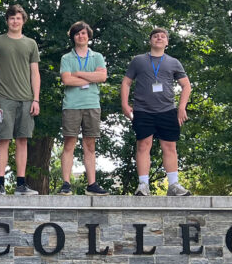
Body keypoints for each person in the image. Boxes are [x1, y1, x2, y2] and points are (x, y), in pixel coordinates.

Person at [121, 28, 192, 196]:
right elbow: (126, 83)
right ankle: (143, 185)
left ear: (167, 42)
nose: (159, 38)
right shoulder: (138, 61)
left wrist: (181, 107)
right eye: (155, 36)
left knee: (170, 147)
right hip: (142, 110)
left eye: (162, 36)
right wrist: (125, 104)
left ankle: (174, 185)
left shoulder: (173, 62)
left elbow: (186, 85)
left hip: (167, 110)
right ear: (150, 40)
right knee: (143, 145)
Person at [0, 4, 41, 195]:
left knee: (22, 140)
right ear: (7, 21)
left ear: (23, 20)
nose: (15, 21)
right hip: (3, 98)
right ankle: (0, 183)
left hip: (26, 99)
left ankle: (21, 184)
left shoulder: (31, 44)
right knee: (3, 140)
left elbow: (35, 73)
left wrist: (36, 99)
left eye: (18, 18)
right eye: (11, 18)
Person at [58, 21, 108, 196]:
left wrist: (78, 73)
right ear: (73, 36)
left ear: (89, 36)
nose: (81, 36)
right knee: (69, 143)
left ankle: (92, 184)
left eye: (84, 33)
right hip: (72, 105)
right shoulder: (66, 58)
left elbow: (102, 77)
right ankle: (66, 183)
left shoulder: (97, 56)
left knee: (90, 144)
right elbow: (67, 80)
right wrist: (91, 77)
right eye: (78, 33)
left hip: (92, 104)